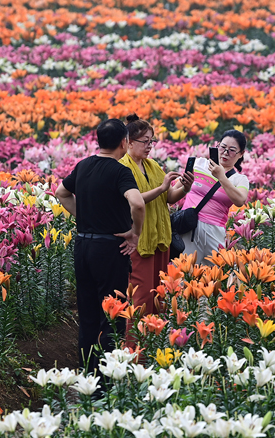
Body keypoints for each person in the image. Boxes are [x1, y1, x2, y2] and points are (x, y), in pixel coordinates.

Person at [55, 119, 145, 379]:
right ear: (124, 143)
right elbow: (137, 203)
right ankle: (106, 381)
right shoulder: (120, 171)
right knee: (113, 314)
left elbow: (61, 192)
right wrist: (134, 234)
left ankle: (88, 376)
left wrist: (82, 217)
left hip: (83, 245)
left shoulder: (83, 166)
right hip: (109, 249)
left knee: (88, 314)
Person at [118, 114, 192, 317]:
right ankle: (133, 345)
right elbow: (134, 200)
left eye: (152, 141)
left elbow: (169, 197)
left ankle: (153, 340)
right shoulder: (123, 167)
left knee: (159, 295)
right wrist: (161, 188)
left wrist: (185, 187)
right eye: (145, 141)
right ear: (129, 142)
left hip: (160, 239)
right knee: (140, 296)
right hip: (139, 239)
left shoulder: (153, 166)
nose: (150, 145)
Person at [179, 130, 251, 265]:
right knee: (183, 272)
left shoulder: (239, 179)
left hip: (213, 232)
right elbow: (176, 189)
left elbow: (240, 200)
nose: (225, 152)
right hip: (188, 226)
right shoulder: (199, 164)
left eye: (232, 150)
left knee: (214, 276)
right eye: (222, 147)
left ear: (241, 154)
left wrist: (221, 177)